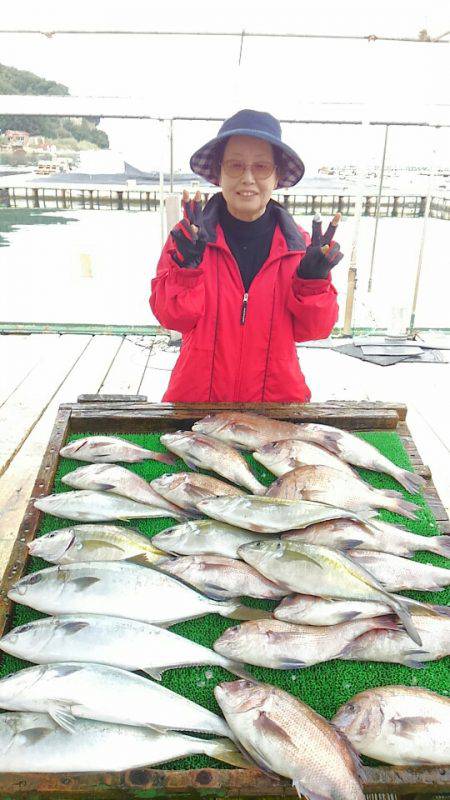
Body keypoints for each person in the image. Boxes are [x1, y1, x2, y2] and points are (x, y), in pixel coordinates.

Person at [150, 109, 343, 403]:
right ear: (219, 173)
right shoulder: (189, 238)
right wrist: (186, 272)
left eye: (262, 166)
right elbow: (171, 318)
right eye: (235, 165)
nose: (248, 178)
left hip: (276, 407)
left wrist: (312, 283)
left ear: (277, 176)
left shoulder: (302, 249)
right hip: (194, 405)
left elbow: (314, 331)